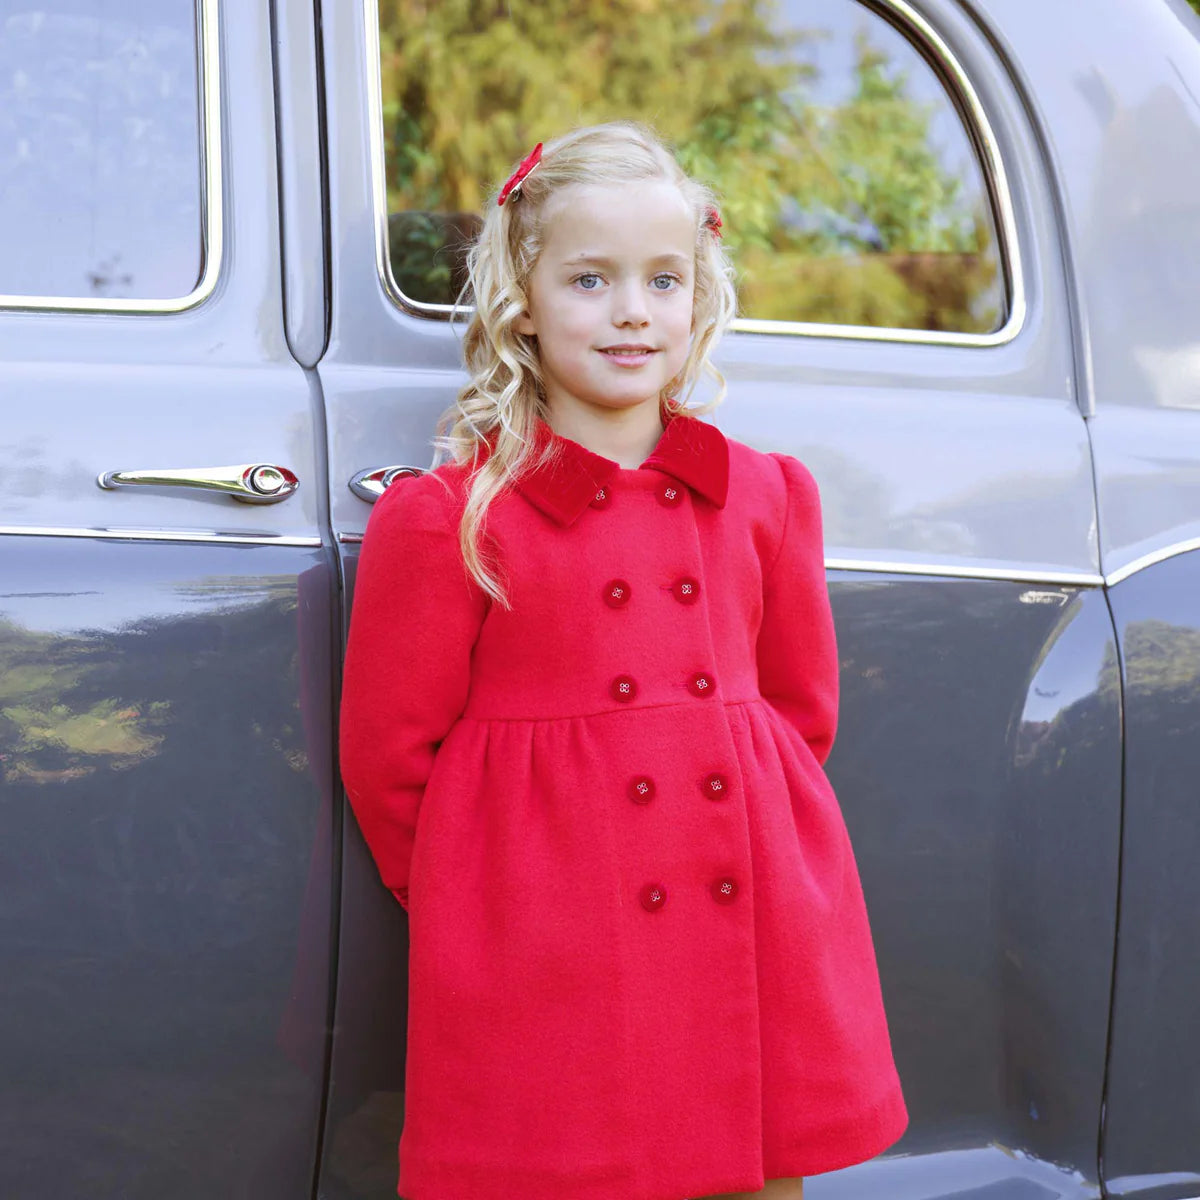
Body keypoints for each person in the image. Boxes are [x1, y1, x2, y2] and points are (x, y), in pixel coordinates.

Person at [338, 121, 909, 1200]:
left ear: (702, 296)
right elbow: (389, 760)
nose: (634, 311)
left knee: (753, 1175)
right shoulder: (451, 520)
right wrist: (491, 902)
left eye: (664, 279)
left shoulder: (767, 494)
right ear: (523, 297)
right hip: (550, 957)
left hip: (749, 930)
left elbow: (800, 714)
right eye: (591, 279)